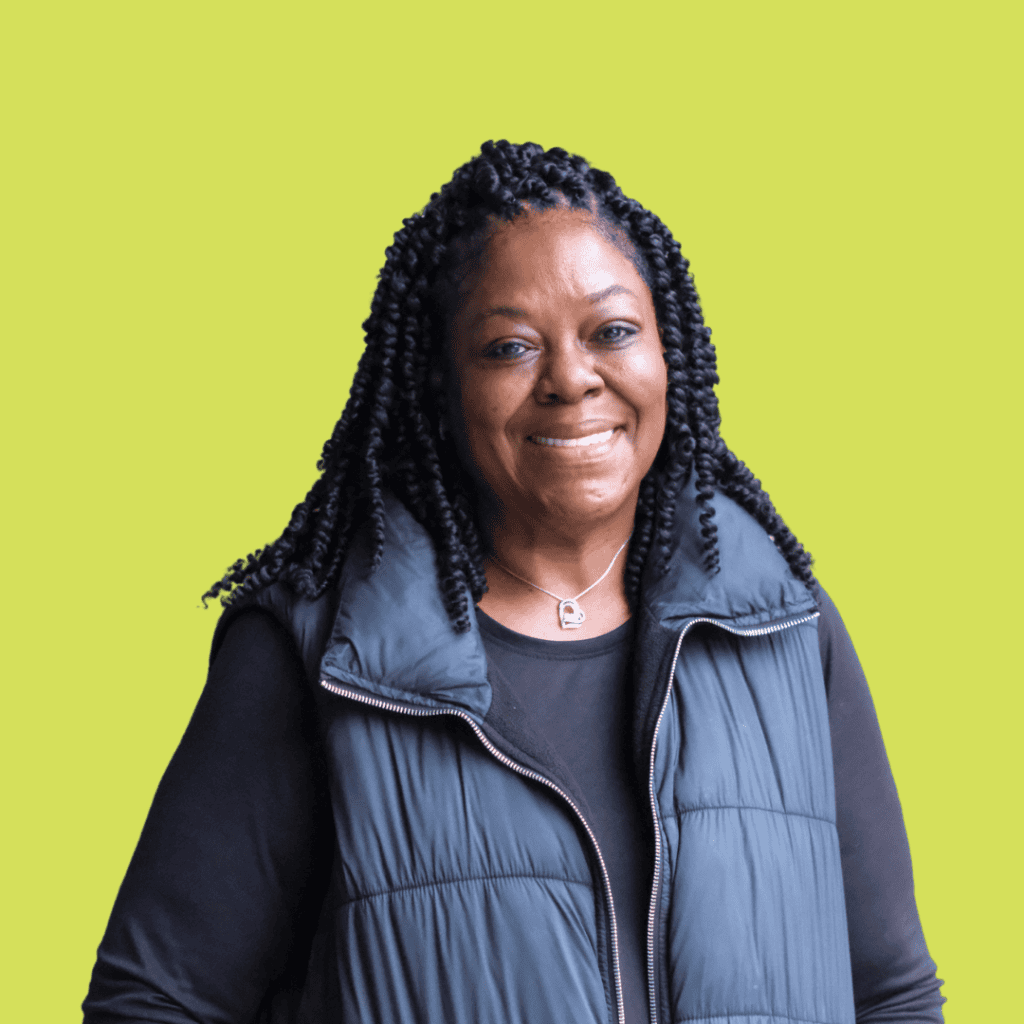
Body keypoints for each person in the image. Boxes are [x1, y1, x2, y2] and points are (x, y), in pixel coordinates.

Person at [83, 141, 945, 1024]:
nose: (571, 379)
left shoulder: (781, 629)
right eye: (509, 347)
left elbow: (892, 994)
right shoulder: (321, 655)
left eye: (612, 331)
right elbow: (152, 1000)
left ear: (668, 355)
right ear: (441, 389)